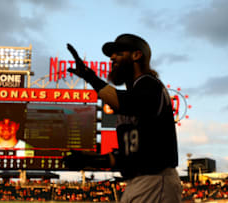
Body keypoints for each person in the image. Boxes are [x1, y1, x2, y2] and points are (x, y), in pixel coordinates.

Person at [63, 34, 182, 202]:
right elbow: (129, 157)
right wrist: (90, 160)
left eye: (118, 53)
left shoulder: (149, 84)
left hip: (155, 179)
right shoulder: (135, 92)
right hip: (139, 182)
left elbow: (122, 102)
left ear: (136, 55)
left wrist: (90, 77)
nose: (112, 58)